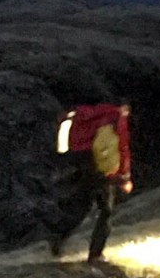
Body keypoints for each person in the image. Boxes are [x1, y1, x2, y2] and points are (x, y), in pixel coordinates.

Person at [51, 103, 133, 262]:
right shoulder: (116, 116)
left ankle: (56, 240)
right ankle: (95, 255)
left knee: (83, 205)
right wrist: (125, 177)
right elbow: (122, 146)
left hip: (81, 163)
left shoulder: (80, 114)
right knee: (106, 210)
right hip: (100, 165)